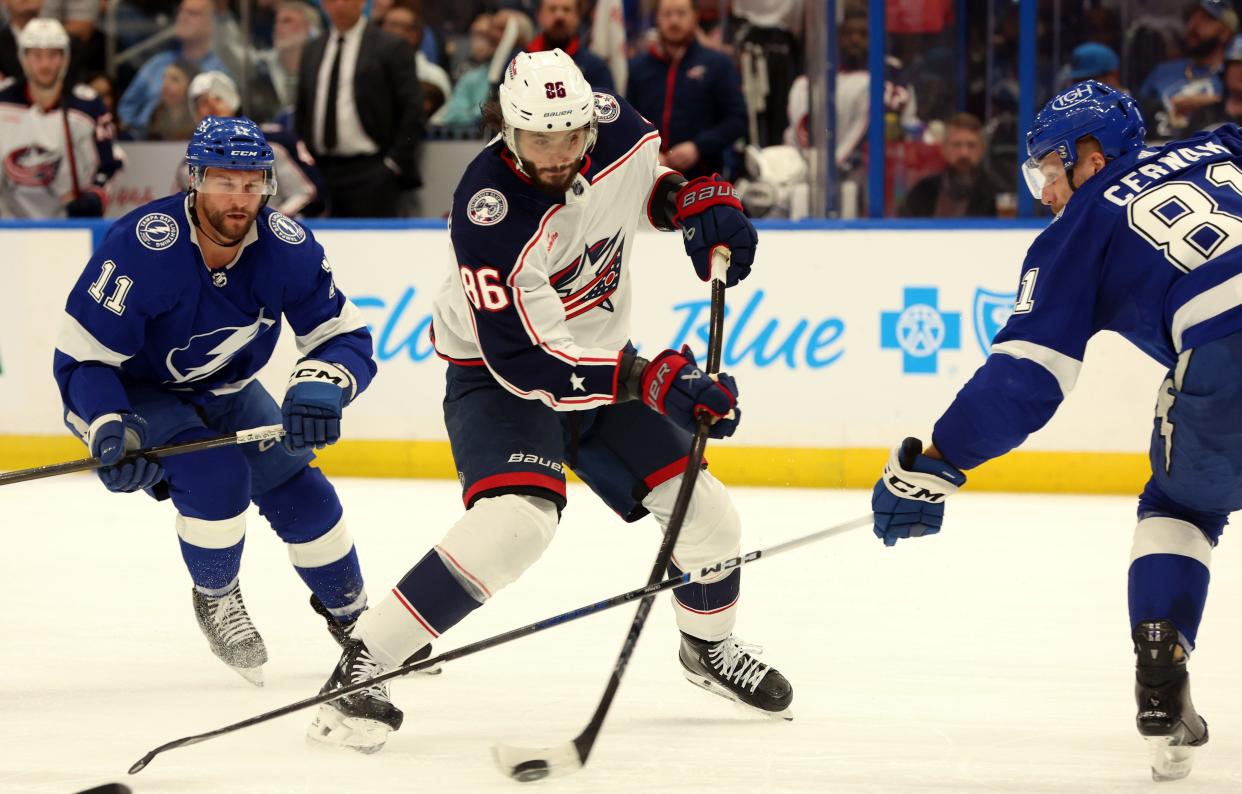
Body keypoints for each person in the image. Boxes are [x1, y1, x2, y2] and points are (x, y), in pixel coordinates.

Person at [305, 50, 778, 753]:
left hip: (606, 362)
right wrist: (651, 380)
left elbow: (640, 189)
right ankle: (367, 660)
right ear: (506, 128)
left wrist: (689, 204)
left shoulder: (616, 128)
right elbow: (532, 363)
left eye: (569, 137)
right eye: (537, 140)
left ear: (590, 121)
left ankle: (707, 649)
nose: (557, 156)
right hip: (500, 376)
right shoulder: (487, 212)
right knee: (516, 525)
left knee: (707, 517)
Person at [870, 80, 1242, 781]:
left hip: (1227, 348)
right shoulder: (1217, 143)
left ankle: (1162, 661)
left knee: (1182, 506)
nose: (1043, 191)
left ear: (1092, 157)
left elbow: (1024, 383)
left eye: (1048, 168)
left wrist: (937, 461)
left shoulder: (1077, 228)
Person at [50, 116, 403, 686]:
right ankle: (216, 595)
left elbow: (343, 335)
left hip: (232, 389)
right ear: (194, 180)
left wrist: (320, 383)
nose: (239, 199)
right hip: (144, 393)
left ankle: (359, 624)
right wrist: (108, 426)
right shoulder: (142, 247)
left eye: (252, 183)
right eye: (224, 181)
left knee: (307, 499)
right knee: (216, 479)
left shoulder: (287, 248)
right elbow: (83, 359)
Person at [294, 0, 424, 217]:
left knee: (372, 245)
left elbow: (413, 109)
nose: (339, 5)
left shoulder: (390, 46)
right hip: (319, 170)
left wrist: (393, 163)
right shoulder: (313, 49)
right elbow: (302, 109)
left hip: (371, 170)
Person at [0, 19, 119, 218]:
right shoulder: (3, 101)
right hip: (8, 227)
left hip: (71, 225)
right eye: (37, 55)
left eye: (53, 55)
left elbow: (110, 165)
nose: (45, 64)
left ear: (65, 58)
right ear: (23, 57)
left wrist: (95, 197)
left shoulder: (88, 105)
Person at [626, 0, 747, 180]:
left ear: (694, 17)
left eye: (681, 14)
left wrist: (698, 147)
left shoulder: (717, 64)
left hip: (703, 178)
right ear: (657, 18)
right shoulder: (639, 67)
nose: (674, 21)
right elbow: (629, 121)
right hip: (649, 176)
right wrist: (648, 154)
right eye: (667, 14)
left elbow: (737, 120)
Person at [185, 70, 326, 217]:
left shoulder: (273, 143)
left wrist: (270, 221)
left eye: (218, 98)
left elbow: (307, 193)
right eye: (203, 103)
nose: (212, 106)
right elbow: (187, 204)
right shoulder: (190, 163)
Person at [116, 0, 230, 139]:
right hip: (145, 146)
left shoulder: (219, 74)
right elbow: (125, 111)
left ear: (212, 23)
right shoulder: (157, 64)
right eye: (181, 11)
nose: (183, 16)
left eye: (192, 13)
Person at [1139, 0, 1237, 139]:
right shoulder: (1163, 71)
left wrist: (1215, 104)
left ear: (1225, 33)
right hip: (1157, 149)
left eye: (1206, 19)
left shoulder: (1233, 77)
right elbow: (1137, 113)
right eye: (1192, 17)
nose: (1193, 25)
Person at [900, 112, 1004, 218]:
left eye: (971, 145)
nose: (964, 153)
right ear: (943, 149)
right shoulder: (923, 191)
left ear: (982, 150)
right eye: (956, 145)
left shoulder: (996, 194)